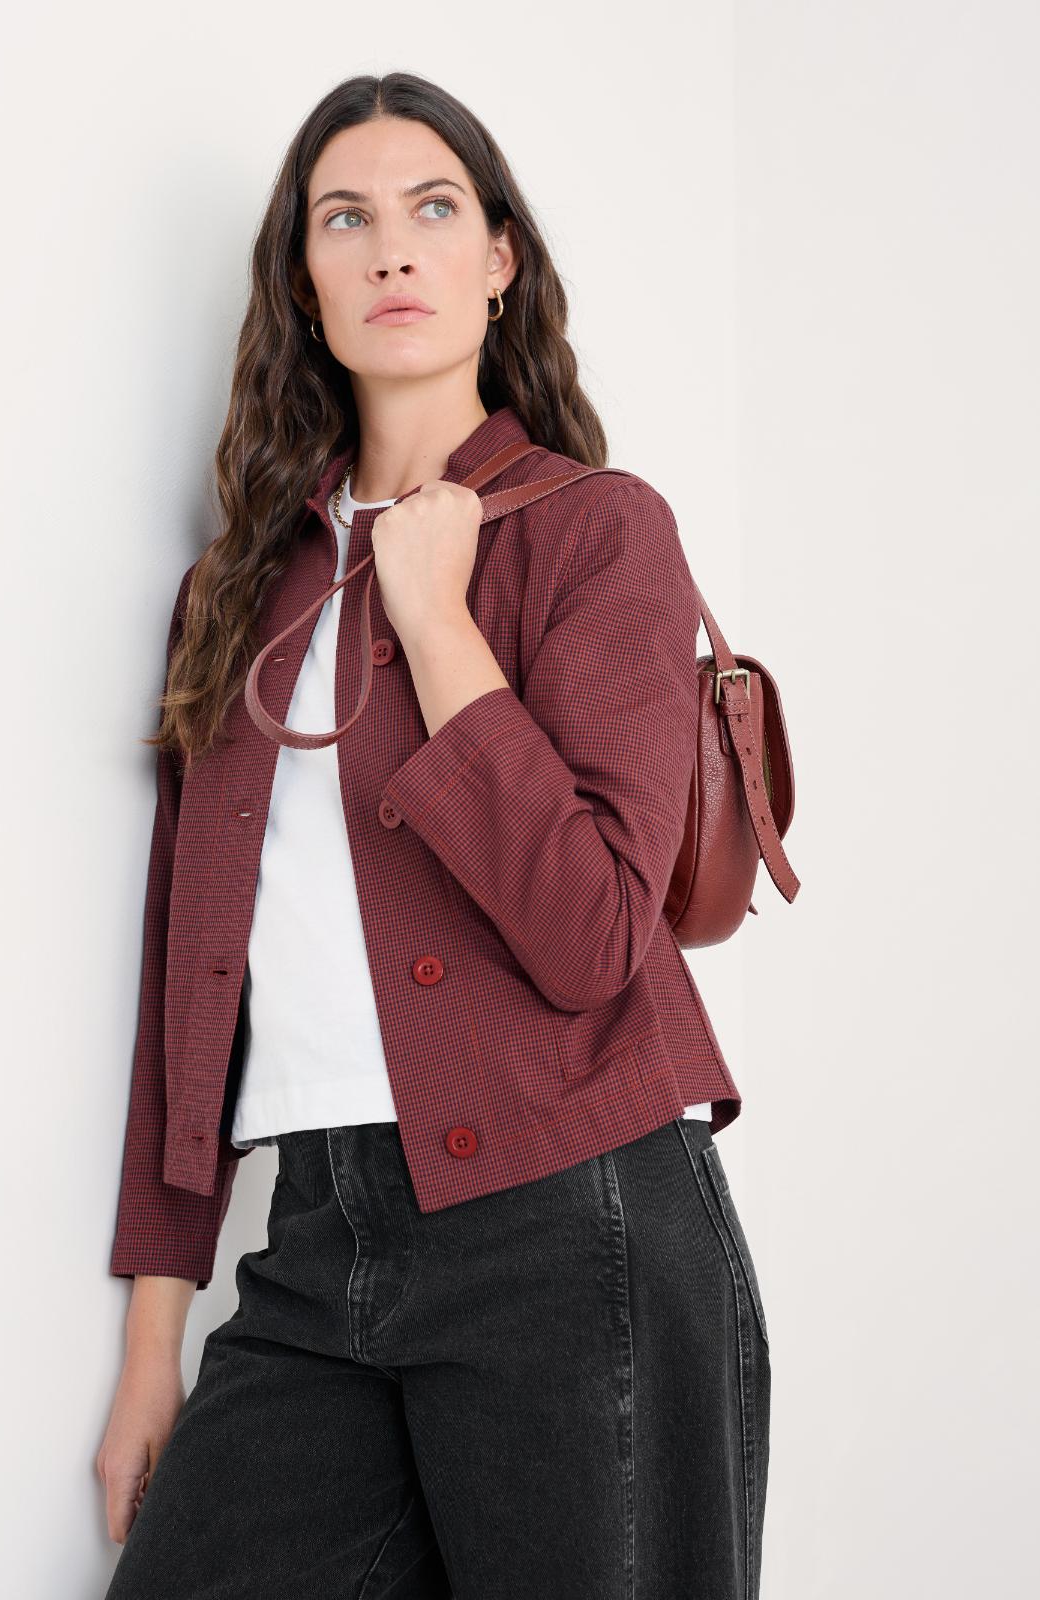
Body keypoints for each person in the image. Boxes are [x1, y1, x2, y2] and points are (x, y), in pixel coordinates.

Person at [97, 70, 771, 1600]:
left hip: (576, 1224)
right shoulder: (236, 593)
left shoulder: (596, 530)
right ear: (304, 279)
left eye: (433, 208)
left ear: (499, 258)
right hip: (316, 1243)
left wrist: (437, 618)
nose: (392, 247)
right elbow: (187, 981)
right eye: (345, 218)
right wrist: (155, 1340)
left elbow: (594, 936)